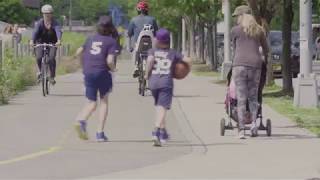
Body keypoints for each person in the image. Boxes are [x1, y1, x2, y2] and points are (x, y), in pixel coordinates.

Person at [73, 15, 117, 142]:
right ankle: (100, 133)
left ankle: (81, 120)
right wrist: (113, 69)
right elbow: (109, 60)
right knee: (104, 101)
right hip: (102, 72)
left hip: (88, 71)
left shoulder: (90, 39)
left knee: (91, 102)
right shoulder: (111, 41)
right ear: (110, 28)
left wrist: (82, 65)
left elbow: (78, 52)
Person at [231, 6, 269, 139]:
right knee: (253, 97)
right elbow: (266, 49)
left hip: (239, 65)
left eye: (237, 16)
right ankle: (254, 125)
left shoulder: (235, 31)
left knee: (241, 98)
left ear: (242, 16)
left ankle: (241, 130)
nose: (236, 19)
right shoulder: (259, 30)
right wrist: (264, 59)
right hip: (255, 65)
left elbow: (234, 49)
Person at [145, 28, 187, 146]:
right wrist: (186, 69)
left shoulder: (152, 51)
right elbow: (187, 60)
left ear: (156, 40)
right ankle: (156, 131)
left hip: (153, 82)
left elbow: (149, 61)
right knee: (162, 108)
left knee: (159, 107)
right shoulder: (172, 53)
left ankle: (163, 133)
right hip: (166, 83)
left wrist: (146, 75)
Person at [30, 4, 62, 85]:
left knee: (51, 58)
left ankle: (52, 76)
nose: (47, 15)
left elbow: (58, 31)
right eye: (45, 13)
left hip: (52, 42)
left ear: (52, 14)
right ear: (42, 14)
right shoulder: (40, 23)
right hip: (40, 42)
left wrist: (58, 40)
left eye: (49, 13)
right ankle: (41, 72)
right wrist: (32, 40)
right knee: (39, 57)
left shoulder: (55, 22)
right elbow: (35, 32)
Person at [128, 1, 158, 78]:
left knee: (135, 51)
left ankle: (135, 67)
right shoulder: (152, 19)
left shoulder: (133, 20)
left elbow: (129, 34)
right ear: (147, 10)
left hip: (138, 44)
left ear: (138, 10)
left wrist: (130, 46)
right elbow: (156, 33)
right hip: (151, 43)